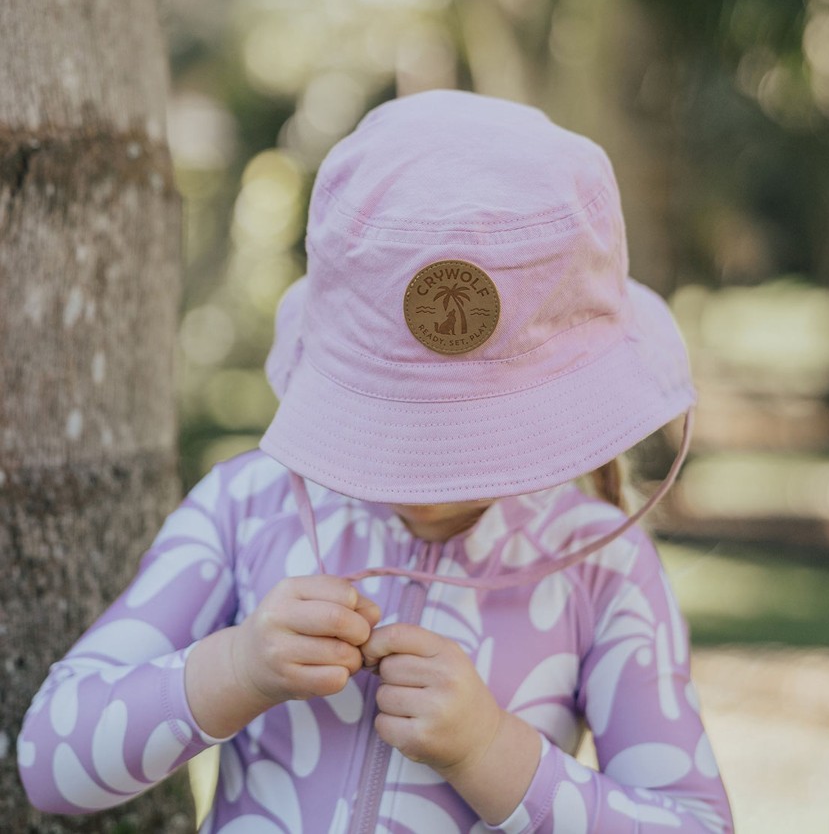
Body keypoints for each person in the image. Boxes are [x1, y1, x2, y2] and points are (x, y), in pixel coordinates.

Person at [18, 90, 734, 833]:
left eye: (470, 438)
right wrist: (234, 670)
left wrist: (493, 752)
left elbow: (693, 823)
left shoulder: (599, 566)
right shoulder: (247, 508)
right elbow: (49, 762)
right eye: (403, 430)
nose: (427, 481)